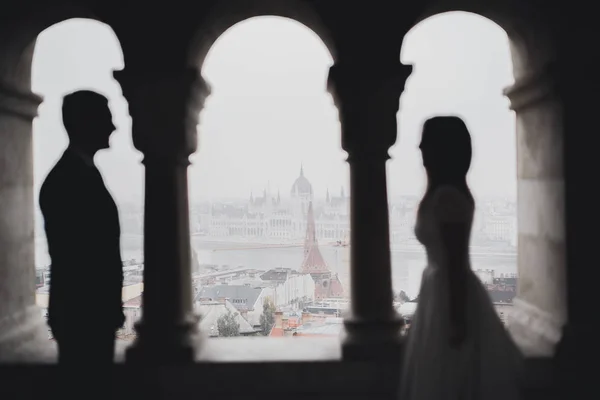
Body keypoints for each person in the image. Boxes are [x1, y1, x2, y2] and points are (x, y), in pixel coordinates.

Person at [399, 116, 522, 400]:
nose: (419, 148)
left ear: (440, 150)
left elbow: (454, 260)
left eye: (426, 143)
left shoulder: (446, 198)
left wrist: (455, 319)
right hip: (441, 291)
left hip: (448, 293)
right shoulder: (449, 193)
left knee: (447, 375)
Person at [40, 90, 124, 364]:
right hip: (85, 314)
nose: (114, 126)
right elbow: (86, 257)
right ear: (86, 123)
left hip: (81, 312)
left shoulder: (74, 174)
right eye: (107, 119)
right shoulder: (70, 180)